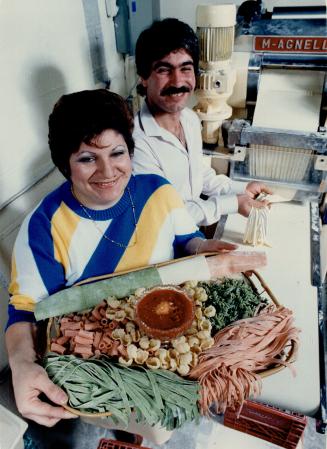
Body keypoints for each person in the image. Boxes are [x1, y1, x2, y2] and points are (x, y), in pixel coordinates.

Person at [5, 89, 266, 442]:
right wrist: (21, 365)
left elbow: (184, 239)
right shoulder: (43, 228)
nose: (108, 171)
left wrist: (204, 246)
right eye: (87, 159)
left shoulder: (158, 190)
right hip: (112, 363)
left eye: (117, 153)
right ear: (64, 163)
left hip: (178, 337)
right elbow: (22, 314)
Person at [132, 18, 271, 228]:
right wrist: (233, 203)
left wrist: (242, 189)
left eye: (186, 69)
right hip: (163, 246)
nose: (178, 81)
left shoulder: (189, 119)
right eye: (164, 70)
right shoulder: (136, 143)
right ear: (143, 77)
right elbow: (165, 216)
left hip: (192, 234)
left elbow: (200, 175)